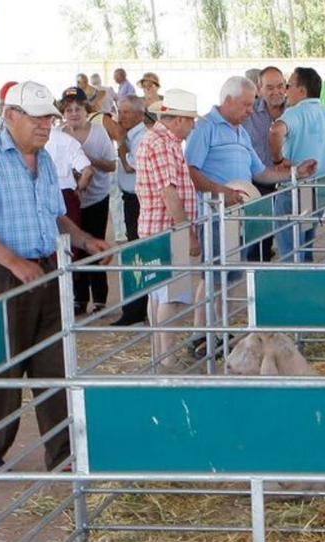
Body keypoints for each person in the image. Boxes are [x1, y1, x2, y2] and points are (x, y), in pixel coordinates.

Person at [0, 80, 110, 471]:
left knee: (53, 362)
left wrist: (84, 239)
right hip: (3, 275)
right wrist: (12, 261)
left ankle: (62, 454)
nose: (46, 125)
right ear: (11, 116)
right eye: (38, 117)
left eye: (49, 118)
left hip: (46, 268)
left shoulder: (44, 160)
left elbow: (55, 213)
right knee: (5, 362)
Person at [136, 87, 201, 368]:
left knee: (158, 291)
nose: (192, 126)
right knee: (169, 295)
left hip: (157, 227)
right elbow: (169, 192)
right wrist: (187, 232)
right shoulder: (162, 144)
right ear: (178, 120)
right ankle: (167, 355)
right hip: (166, 229)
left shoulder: (161, 140)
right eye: (190, 120)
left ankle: (160, 352)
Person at [270, 66, 325, 262]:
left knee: (291, 251)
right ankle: (308, 285)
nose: (286, 90)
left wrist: (278, 160)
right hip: (320, 191)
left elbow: (276, 131)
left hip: (294, 190)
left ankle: (295, 288)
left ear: (302, 90)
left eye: (289, 85)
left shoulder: (295, 113)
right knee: (306, 245)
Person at [187, 76, 314, 204]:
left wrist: (296, 172)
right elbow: (190, 171)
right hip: (213, 214)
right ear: (228, 100)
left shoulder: (242, 133)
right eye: (246, 105)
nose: (251, 111)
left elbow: (261, 173)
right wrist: (221, 192)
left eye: (252, 105)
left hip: (240, 213)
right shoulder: (204, 126)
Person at [61, 92, 117, 315]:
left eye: (78, 109)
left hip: (96, 198)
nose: (74, 113)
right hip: (70, 200)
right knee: (74, 248)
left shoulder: (99, 133)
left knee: (95, 244)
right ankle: (78, 298)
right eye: (68, 110)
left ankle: (100, 299)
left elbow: (112, 165)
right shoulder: (57, 135)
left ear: (86, 111)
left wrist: (86, 159)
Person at [244, 65, 289, 261]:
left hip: (291, 186)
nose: (277, 91)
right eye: (270, 88)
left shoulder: (295, 110)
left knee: (294, 241)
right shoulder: (248, 114)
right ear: (259, 88)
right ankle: (258, 286)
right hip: (259, 187)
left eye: (280, 86)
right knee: (257, 245)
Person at [112, 94, 148, 324]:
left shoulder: (141, 137)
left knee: (138, 255)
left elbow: (129, 165)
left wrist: (120, 141)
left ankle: (135, 310)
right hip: (131, 199)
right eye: (120, 111)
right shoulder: (131, 136)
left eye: (125, 112)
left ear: (139, 114)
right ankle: (135, 308)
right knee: (136, 253)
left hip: (139, 200)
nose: (120, 117)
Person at [46, 90, 93, 234]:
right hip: (66, 196)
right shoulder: (67, 140)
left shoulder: (27, 141)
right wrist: (78, 189)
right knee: (70, 244)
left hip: (40, 196)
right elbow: (88, 171)